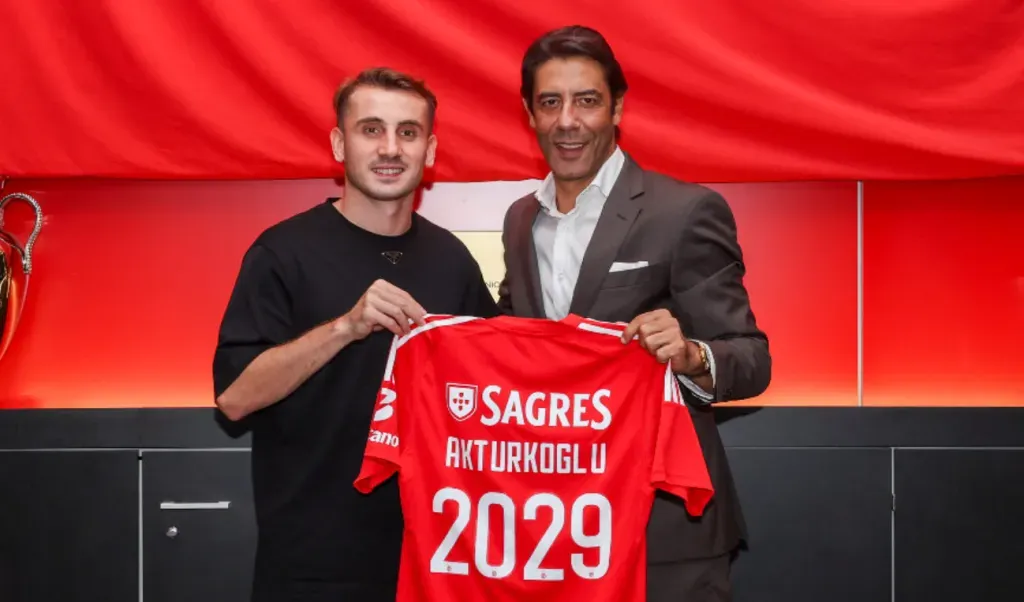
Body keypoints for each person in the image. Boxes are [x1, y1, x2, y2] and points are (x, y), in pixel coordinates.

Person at [497, 26, 771, 601]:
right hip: (556, 528)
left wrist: (691, 355)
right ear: (530, 113)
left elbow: (751, 359)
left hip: (665, 529)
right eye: (551, 102)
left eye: (587, 100)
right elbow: (518, 339)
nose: (567, 120)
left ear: (617, 107)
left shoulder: (685, 211)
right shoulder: (521, 220)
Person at [212, 67, 498, 602]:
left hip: (433, 557)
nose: (390, 148)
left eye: (407, 133)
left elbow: (492, 390)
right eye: (372, 129)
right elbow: (234, 398)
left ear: (430, 150)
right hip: (313, 564)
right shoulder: (282, 252)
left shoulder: (452, 260)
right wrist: (347, 326)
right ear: (340, 144)